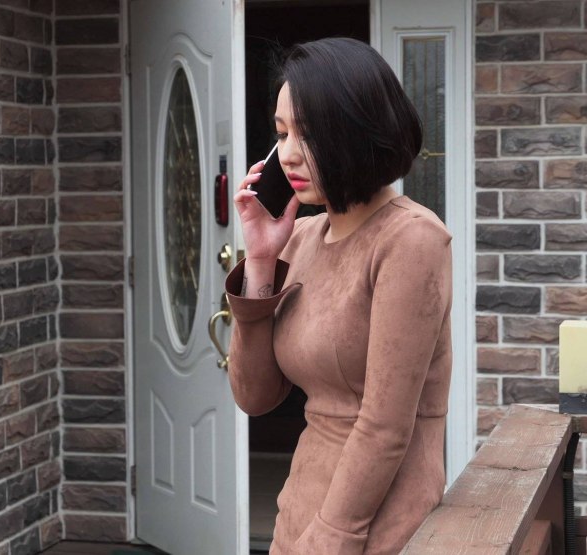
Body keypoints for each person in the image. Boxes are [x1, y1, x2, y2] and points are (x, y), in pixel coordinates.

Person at [226, 37, 453, 554]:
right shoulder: (303, 237)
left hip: (378, 524)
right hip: (301, 508)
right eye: (282, 133)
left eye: (308, 133)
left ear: (358, 130)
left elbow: (385, 426)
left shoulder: (411, 239)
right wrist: (260, 261)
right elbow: (255, 397)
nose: (288, 153)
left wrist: (332, 538)